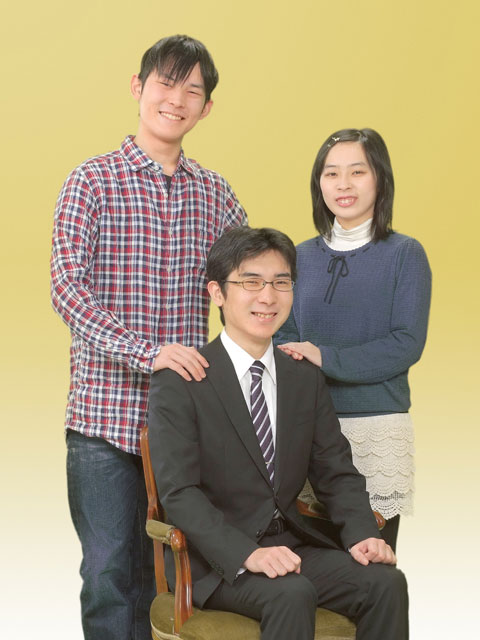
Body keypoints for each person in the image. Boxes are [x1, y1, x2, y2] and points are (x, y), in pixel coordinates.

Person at [50, 35, 246, 640]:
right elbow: (67, 289)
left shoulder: (216, 195)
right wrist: (148, 352)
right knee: (108, 574)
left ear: (206, 108)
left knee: (169, 575)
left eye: (193, 90)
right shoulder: (91, 181)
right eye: (165, 82)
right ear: (138, 87)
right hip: (104, 421)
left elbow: (247, 289)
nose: (176, 99)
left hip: (183, 428)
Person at [148, 226, 409, 640]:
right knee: (291, 593)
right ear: (217, 293)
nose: (267, 297)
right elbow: (179, 493)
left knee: (385, 582)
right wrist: (246, 555)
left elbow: (335, 470)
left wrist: (362, 534)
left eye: (280, 282)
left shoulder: (302, 377)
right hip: (217, 560)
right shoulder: (182, 381)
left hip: (292, 543)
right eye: (251, 282)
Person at [276, 128, 431, 551]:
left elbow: (406, 344)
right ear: (318, 184)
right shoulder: (298, 256)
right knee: (308, 568)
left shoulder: (405, 254)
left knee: (369, 568)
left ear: (380, 179)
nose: (343, 184)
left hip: (375, 429)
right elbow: (282, 336)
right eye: (331, 174)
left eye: (357, 172)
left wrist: (324, 357)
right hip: (305, 427)